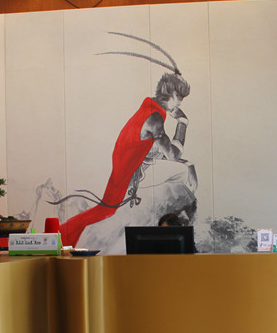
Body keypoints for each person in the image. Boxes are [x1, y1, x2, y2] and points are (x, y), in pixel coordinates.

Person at [58, 72, 191, 247]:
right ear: (168, 91)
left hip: (130, 165)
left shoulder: (150, 109)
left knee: (104, 211)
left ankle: (62, 236)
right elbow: (173, 155)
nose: (180, 102)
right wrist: (182, 122)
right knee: (105, 211)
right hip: (128, 171)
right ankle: (62, 236)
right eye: (178, 96)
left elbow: (143, 145)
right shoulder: (155, 117)